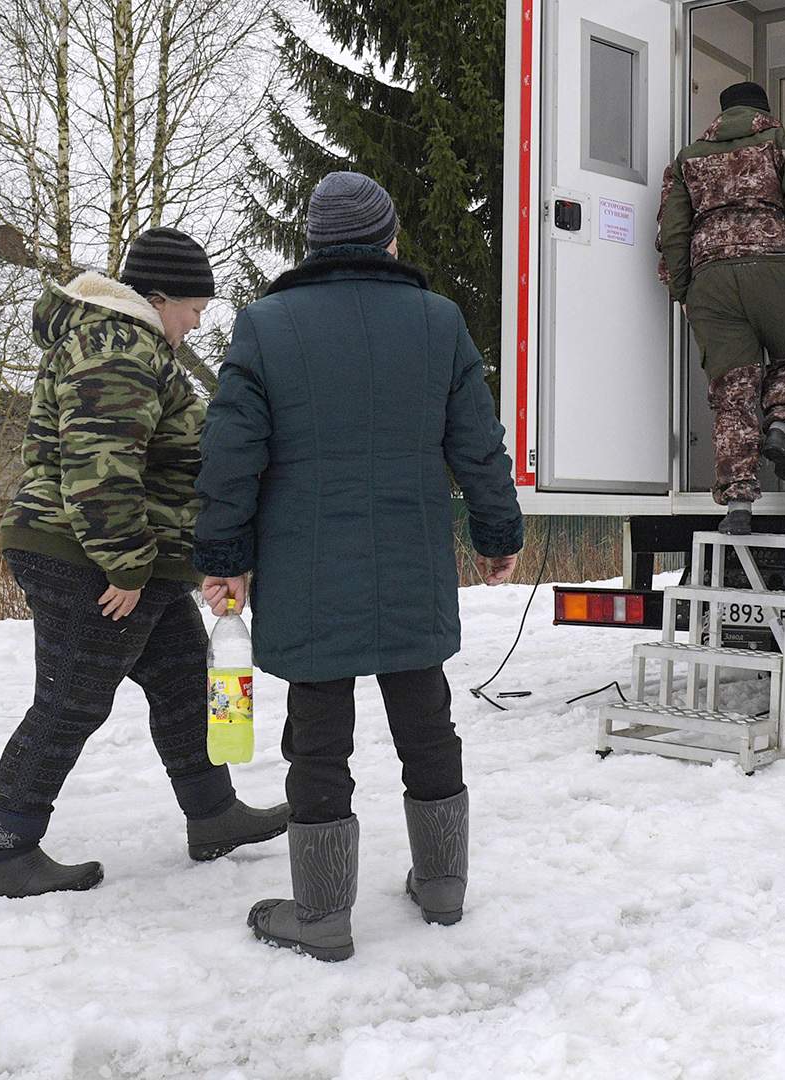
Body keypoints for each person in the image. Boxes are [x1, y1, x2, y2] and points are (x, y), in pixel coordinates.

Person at [194, 172, 523, 961]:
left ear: (312, 244)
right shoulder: (438, 321)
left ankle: (322, 916)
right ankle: (443, 889)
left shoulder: (266, 325)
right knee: (426, 719)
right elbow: (475, 443)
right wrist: (496, 531)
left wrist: (224, 558)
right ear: (389, 239)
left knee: (316, 737)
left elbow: (231, 454)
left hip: (305, 565)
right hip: (410, 556)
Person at [0, 227, 288, 901]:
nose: (196, 324)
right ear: (156, 298)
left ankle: (214, 815)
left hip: (122, 554)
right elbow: (100, 466)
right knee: (70, 702)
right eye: (192, 310)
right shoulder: (118, 344)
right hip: (89, 553)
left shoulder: (126, 343)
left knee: (182, 679)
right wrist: (125, 565)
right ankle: (8, 851)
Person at [656, 80, 785, 535]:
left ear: (721, 114)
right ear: (763, 109)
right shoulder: (782, 140)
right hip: (776, 266)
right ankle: (780, 424)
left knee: (732, 391)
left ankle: (738, 501)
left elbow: (673, 232)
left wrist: (683, 291)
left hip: (711, 280)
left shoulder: (688, 157)